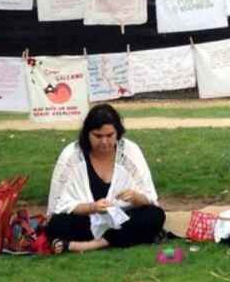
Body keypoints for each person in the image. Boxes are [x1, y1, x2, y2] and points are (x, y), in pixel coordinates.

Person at [45, 104, 165, 253]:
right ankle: (120, 239)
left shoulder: (130, 151)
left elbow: (149, 199)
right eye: (98, 136)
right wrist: (92, 207)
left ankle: (91, 244)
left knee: (155, 215)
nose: (104, 142)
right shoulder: (71, 155)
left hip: (123, 217)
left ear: (118, 134)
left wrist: (136, 197)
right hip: (86, 220)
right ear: (87, 134)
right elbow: (58, 204)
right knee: (56, 224)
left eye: (109, 136)